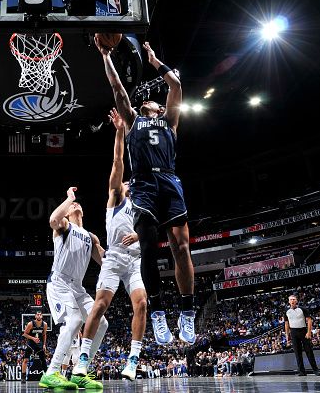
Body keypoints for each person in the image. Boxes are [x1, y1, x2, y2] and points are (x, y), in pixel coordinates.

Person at [97, 37, 196, 345]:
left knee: (181, 248)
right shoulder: (132, 121)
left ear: (159, 106)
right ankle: (157, 314)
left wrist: (153, 60)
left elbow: (176, 86)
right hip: (142, 185)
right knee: (149, 250)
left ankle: (187, 312)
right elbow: (118, 90)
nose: (148, 101)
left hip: (168, 181)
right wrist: (105, 55)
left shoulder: (170, 121)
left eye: (153, 100)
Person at [72, 108, 147, 381]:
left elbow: (154, 230)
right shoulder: (116, 197)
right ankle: (82, 358)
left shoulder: (141, 207)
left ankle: (132, 360)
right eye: (127, 181)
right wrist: (119, 131)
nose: (128, 181)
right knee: (100, 305)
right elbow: (118, 161)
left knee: (142, 304)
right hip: (114, 259)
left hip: (135, 259)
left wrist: (140, 235)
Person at [39, 187, 107, 390]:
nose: (76, 205)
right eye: (72, 206)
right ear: (67, 211)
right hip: (59, 283)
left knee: (101, 323)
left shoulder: (91, 237)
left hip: (77, 288)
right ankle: (51, 372)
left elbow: (105, 262)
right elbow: (52, 219)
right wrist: (69, 199)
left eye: (78, 204)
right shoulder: (64, 225)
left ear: (83, 213)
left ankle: (80, 371)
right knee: (75, 320)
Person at [285, 294, 320, 376]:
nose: (292, 301)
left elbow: (309, 320)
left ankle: (315, 370)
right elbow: (286, 323)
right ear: (289, 301)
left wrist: (309, 332)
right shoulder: (287, 311)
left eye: (294, 299)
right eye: (291, 299)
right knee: (297, 353)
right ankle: (302, 371)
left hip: (303, 331)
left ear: (296, 300)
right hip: (293, 332)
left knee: (309, 351)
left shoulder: (303, 309)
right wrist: (287, 335)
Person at [21, 310, 47, 383]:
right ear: (35, 316)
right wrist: (33, 338)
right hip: (31, 343)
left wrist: (44, 344)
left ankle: (47, 376)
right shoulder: (30, 324)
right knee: (26, 360)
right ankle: (23, 377)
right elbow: (24, 334)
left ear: (42, 316)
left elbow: (44, 335)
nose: (39, 316)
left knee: (43, 360)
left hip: (39, 344)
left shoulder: (44, 324)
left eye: (40, 314)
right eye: (37, 314)